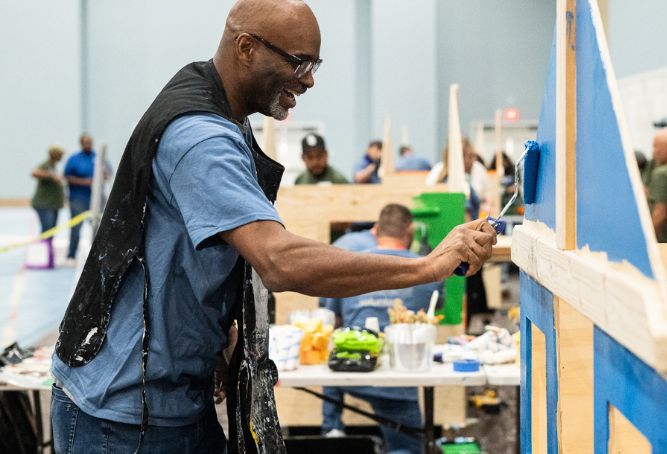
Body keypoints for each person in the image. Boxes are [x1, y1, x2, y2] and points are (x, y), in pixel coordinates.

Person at [50, 1, 497, 453]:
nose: (308, 79)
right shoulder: (201, 136)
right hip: (123, 415)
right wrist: (426, 267)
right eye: (299, 62)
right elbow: (279, 262)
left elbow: (187, 246)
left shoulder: (223, 113)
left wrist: (215, 329)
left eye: (314, 64)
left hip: (173, 396)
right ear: (246, 47)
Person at [320, 204, 442, 453]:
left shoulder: (351, 265)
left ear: (376, 231)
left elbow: (333, 318)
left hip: (350, 373)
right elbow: (434, 306)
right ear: (409, 231)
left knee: (336, 351)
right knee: (406, 448)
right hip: (398, 380)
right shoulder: (428, 269)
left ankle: (332, 430)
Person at [62, 134, 97, 261]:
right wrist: (83, 182)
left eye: (90, 142)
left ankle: (96, 255)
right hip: (77, 198)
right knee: (76, 227)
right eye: (85, 142)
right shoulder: (74, 159)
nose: (88, 144)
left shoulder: (97, 157)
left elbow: (108, 173)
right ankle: (71, 254)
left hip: (95, 199)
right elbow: (66, 176)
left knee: (97, 227)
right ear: (81, 143)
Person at [30, 145, 65, 233]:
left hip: (53, 204)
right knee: (47, 228)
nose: (61, 157)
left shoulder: (54, 166)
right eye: (59, 154)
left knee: (52, 228)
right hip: (44, 204)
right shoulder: (46, 165)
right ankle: (44, 245)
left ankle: (49, 246)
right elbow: (34, 173)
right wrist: (50, 175)